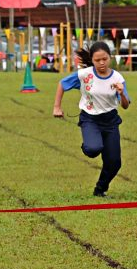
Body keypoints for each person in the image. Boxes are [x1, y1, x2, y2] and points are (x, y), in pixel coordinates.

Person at [52, 41, 131, 197]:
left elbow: (126, 105)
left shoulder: (117, 78)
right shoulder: (84, 75)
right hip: (90, 119)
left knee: (114, 163)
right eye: (97, 60)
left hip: (110, 121)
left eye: (105, 59)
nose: (101, 63)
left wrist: (122, 93)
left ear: (110, 58)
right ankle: (89, 144)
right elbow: (62, 83)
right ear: (92, 60)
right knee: (93, 149)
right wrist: (57, 106)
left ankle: (100, 189)